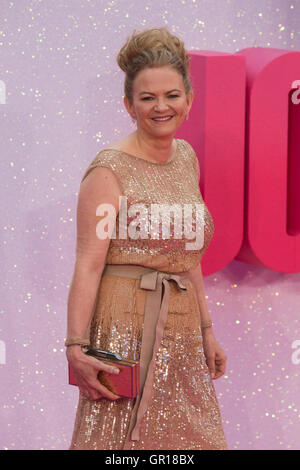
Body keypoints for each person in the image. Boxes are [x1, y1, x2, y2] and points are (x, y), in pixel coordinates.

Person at [66, 27, 228, 450]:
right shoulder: (109, 169)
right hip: (124, 325)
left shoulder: (186, 158)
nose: (162, 107)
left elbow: (186, 251)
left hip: (183, 326)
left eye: (172, 95)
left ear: (188, 101)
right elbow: (88, 262)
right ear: (129, 105)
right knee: (121, 444)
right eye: (147, 97)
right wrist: (75, 346)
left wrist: (207, 330)